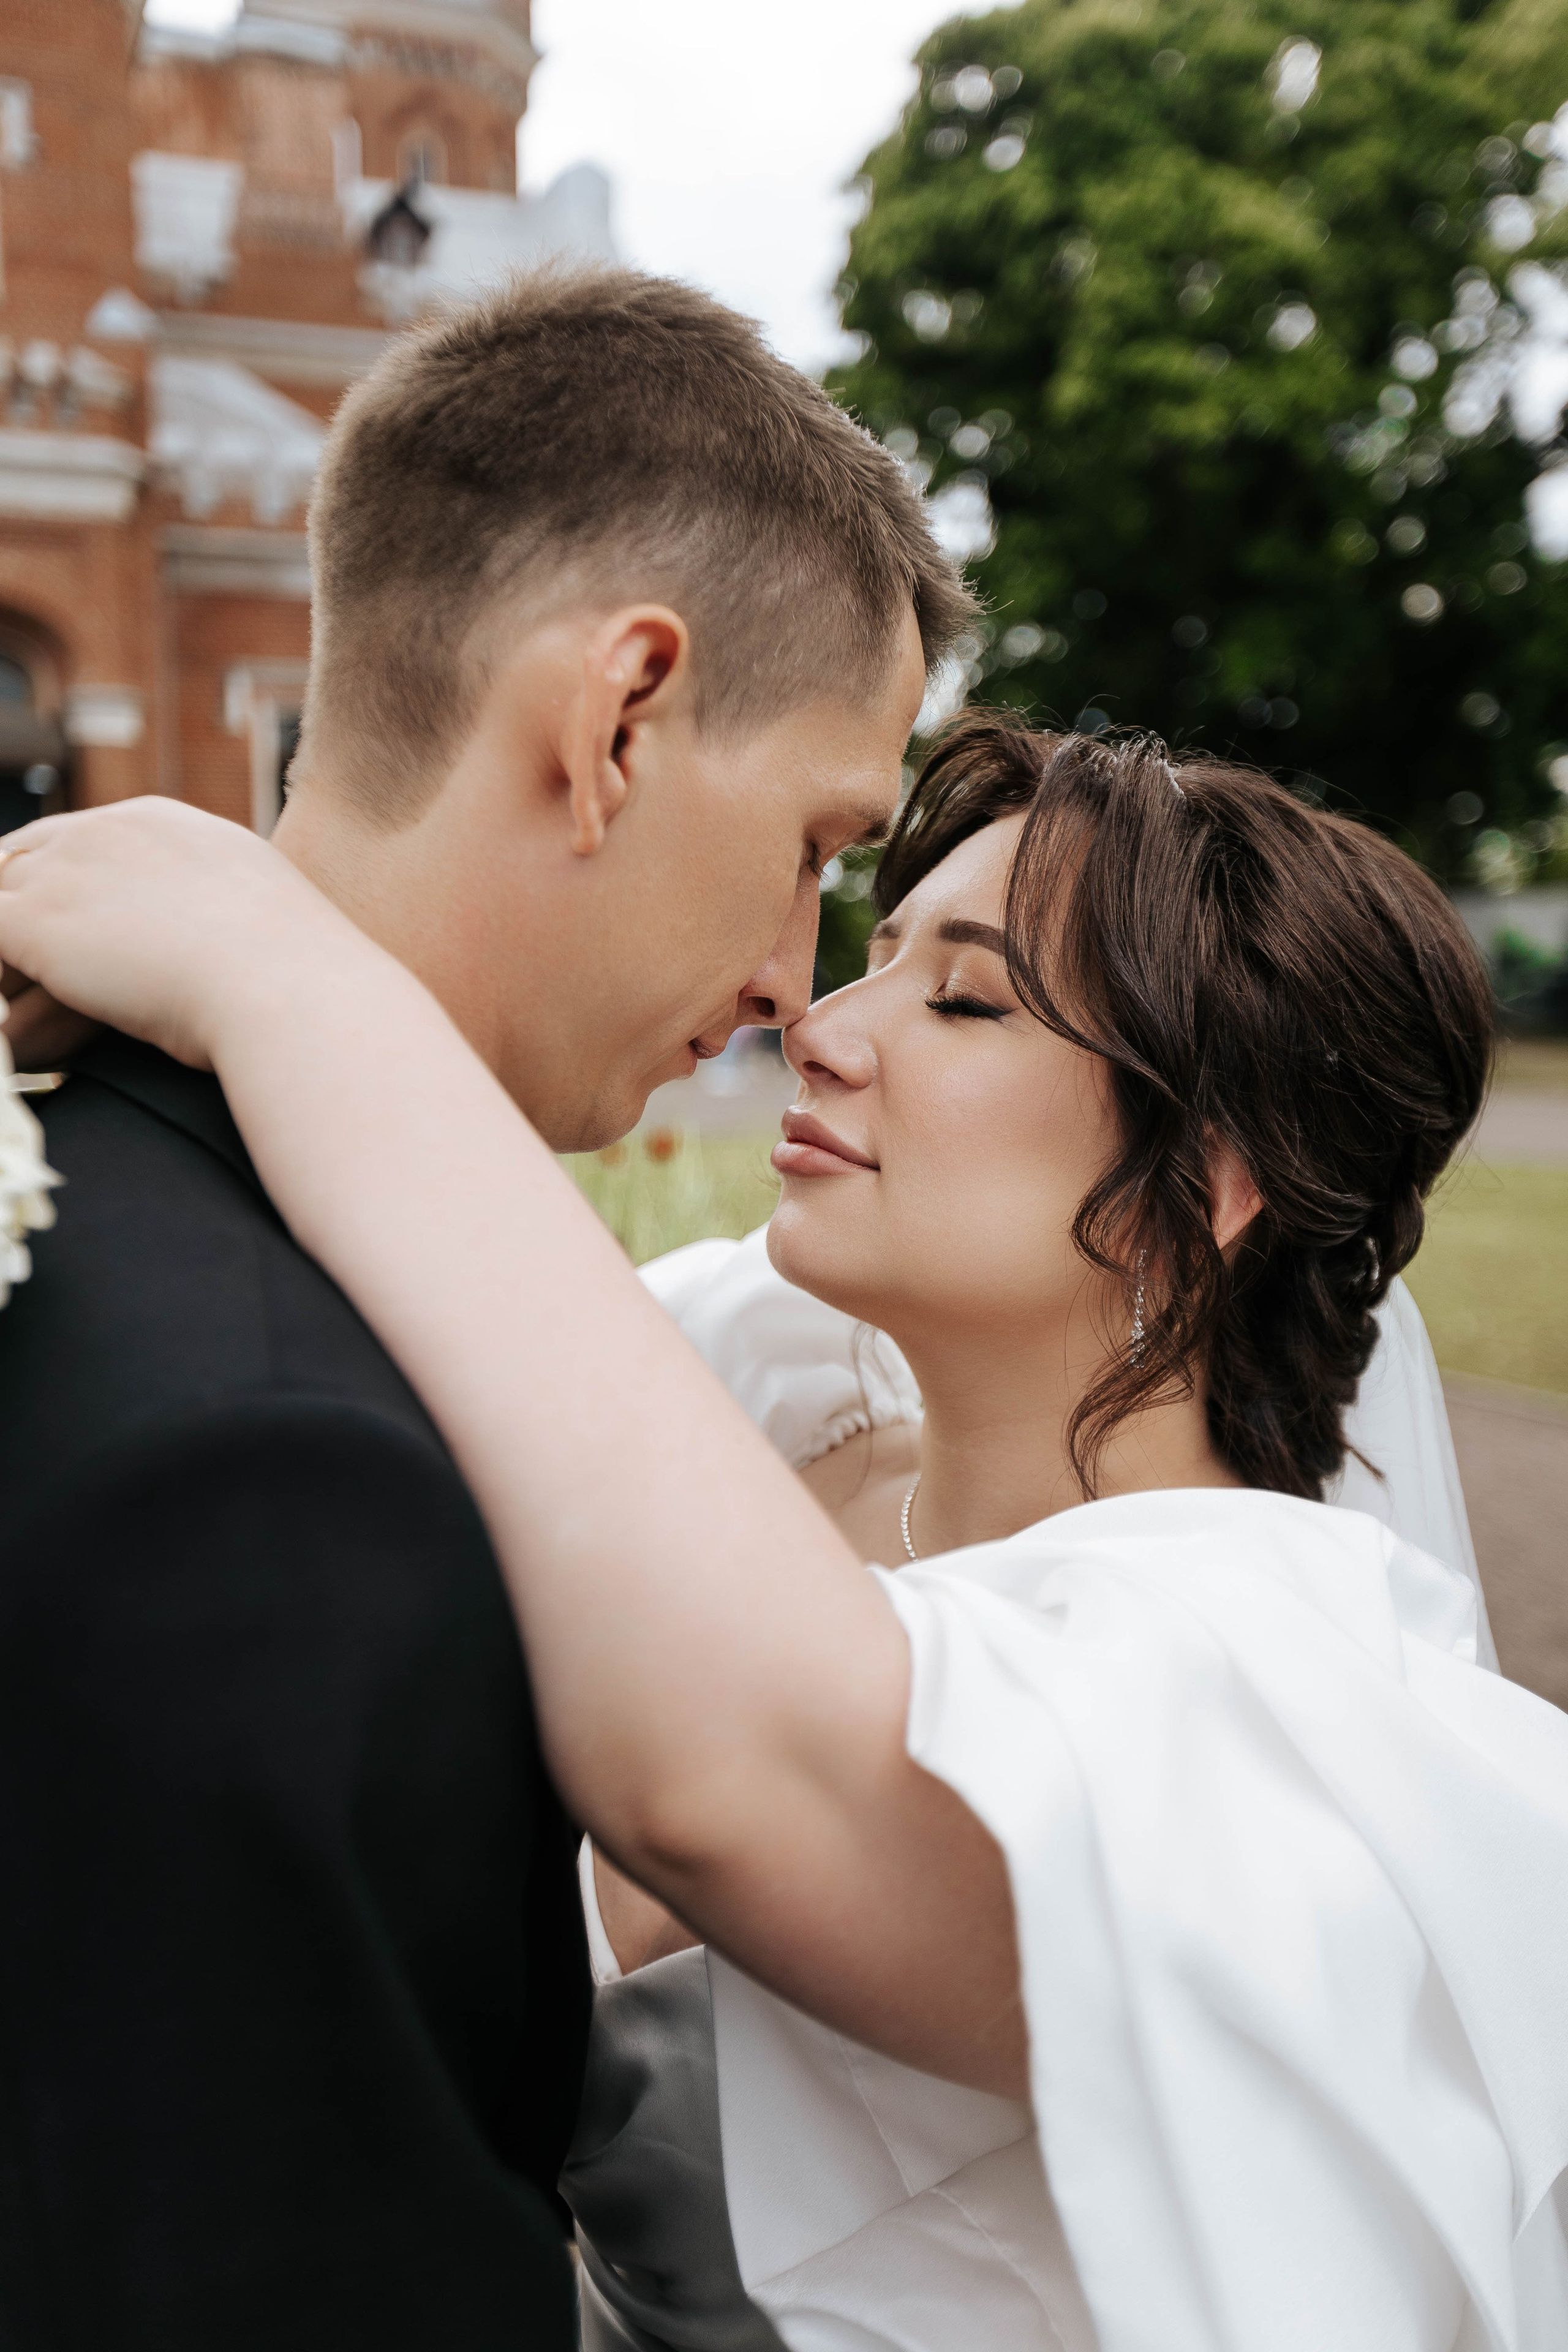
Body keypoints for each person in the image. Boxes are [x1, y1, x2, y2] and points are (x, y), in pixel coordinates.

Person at [4, 716, 1567, 2351]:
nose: (816, 1028)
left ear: (1210, 1186)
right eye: (873, 958)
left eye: (963, 1001)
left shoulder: (1265, 1714)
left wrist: (282, 977)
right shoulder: (765, 1408)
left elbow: (738, 1782)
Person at [0, 266, 966, 2348]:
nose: (797, 984)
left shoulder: (85, 1183)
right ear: (618, 722)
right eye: (819, 843)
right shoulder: (283, 1464)